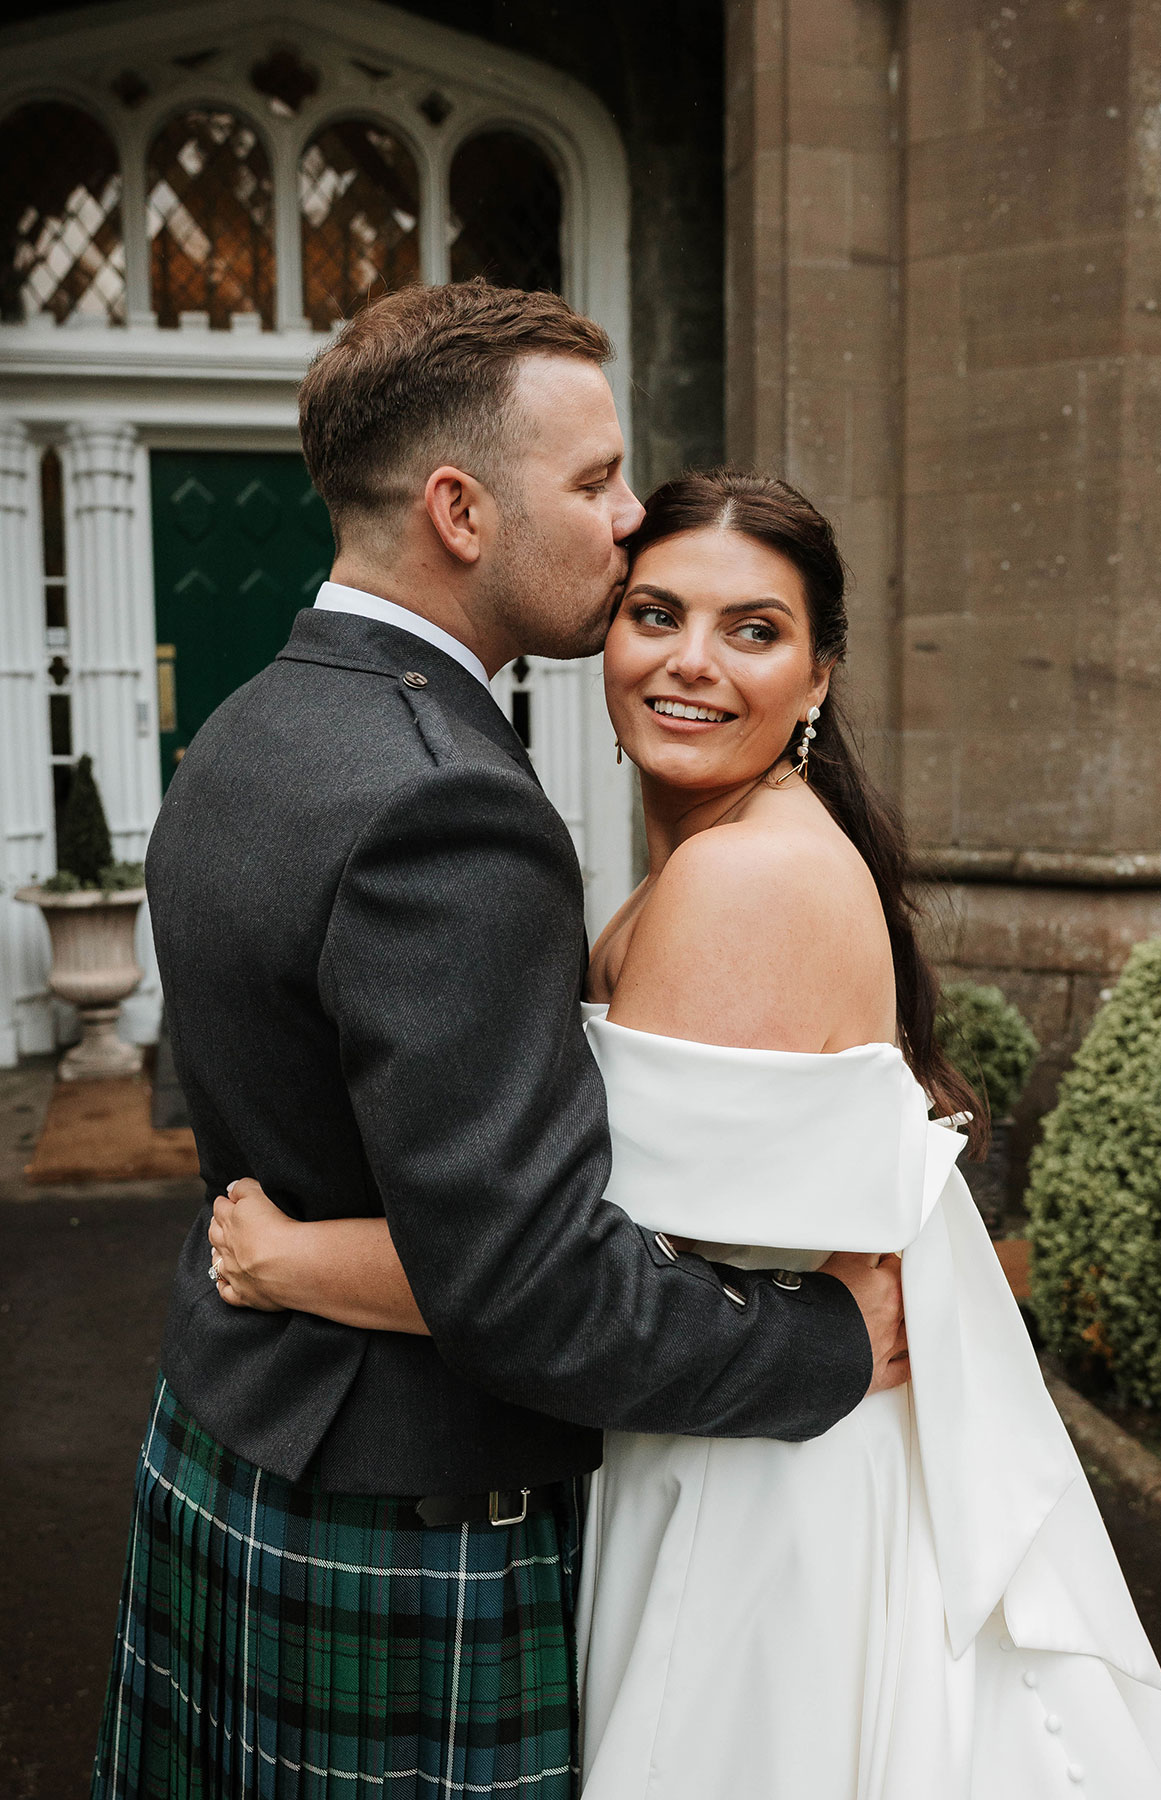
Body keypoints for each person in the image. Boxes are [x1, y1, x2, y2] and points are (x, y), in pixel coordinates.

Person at [212, 470, 1161, 1797]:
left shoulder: (745, 877)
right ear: (605, 640)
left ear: (819, 678)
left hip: (768, 1486)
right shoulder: (727, 852)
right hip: (734, 1431)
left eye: (753, 630)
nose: (690, 662)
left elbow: (563, 1274)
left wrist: (284, 1260)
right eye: (656, 612)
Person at [92, 287, 909, 1800]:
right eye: (595, 481)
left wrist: (278, 1257)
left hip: (231, 1430)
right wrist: (825, 1344)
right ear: (463, 510)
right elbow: (529, 1286)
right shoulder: (445, 800)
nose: (625, 521)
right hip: (407, 1509)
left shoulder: (252, 725)